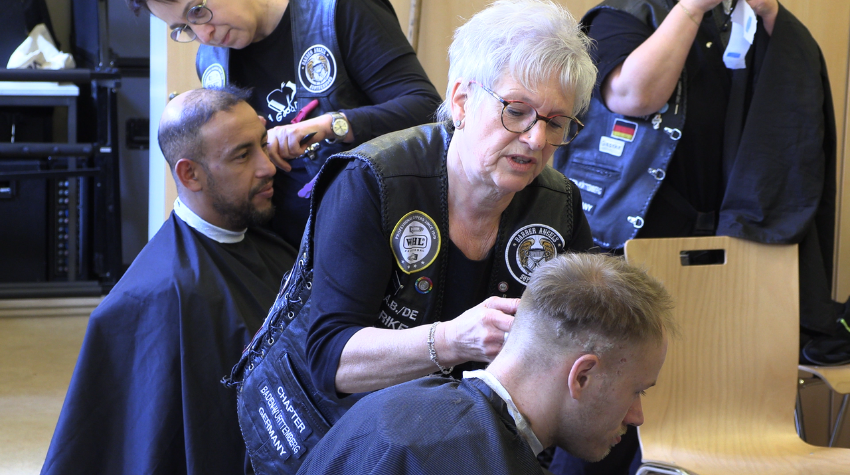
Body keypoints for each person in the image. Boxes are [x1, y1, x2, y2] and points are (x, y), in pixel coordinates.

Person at [222, 1, 598, 473]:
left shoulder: (559, 204)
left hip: (457, 445)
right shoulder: (370, 181)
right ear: (461, 101)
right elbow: (331, 360)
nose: (537, 140)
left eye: (556, 122)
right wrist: (451, 340)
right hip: (338, 439)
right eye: (516, 112)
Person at [551, 0, 841, 473]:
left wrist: (769, 16)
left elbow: (793, 115)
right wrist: (691, 8)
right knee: (606, 411)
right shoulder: (625, 13)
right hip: (626, 249)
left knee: (714, 401)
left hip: (732, 253)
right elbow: (633, 96)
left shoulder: (753, 23)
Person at [40, 87, 297, 475]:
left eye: (263, 144)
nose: (268, 167)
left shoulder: (271, 242)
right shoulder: (155, 297)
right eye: (243, 155)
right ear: (189, 173)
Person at [295, 253, 673, 475]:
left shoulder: (394, 403)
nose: (637, 415)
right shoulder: (472, 462)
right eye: (636, 391)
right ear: (583, 377)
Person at [126, 0, 442, 248]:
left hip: (367, 232)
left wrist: (330, 125)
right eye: (184, 27)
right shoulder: (211, 62)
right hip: (276, 251)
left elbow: (426, 108)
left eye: (197, 10)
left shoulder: (339, 10)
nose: (204, 34)